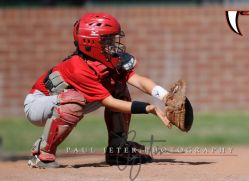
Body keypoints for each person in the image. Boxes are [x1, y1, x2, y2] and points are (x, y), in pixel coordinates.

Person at [24, 12, 170, 168]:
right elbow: (110, 102)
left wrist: (166, 96)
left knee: (118, 86)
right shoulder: (78, 67)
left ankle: (118, 150)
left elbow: (139, 81)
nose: (113, 44)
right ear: (90, 42)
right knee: (74, 100)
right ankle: (42, 154)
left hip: (67, 100)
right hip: (38, 104)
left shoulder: (108, 60)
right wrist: (148, 108)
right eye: (108, 40)